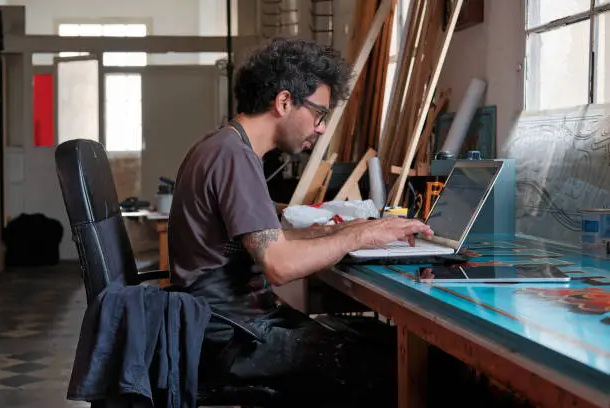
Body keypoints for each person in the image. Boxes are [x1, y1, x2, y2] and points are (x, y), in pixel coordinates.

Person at [168, 37, 434, 407]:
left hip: (226, 327)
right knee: (398, 368)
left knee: (380, 341)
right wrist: (360, 236)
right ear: (284, 102)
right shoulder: (234, 157)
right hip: (230, 339)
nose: (321, 128)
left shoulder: (225, 147)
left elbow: (269, 238)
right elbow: (279, 264)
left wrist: (350, 228)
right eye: (319, 114)